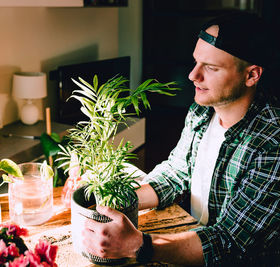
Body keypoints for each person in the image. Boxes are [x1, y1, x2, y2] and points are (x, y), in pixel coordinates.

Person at [82, 12, 280, 266]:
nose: (193, 75)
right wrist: (105, 199)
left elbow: (229, 243)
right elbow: (176, 173)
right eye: (196, 62)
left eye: (210, 67)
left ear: (252, 75)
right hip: (189, 237)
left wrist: (138, 246)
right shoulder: (202, 111)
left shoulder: (270, 144)